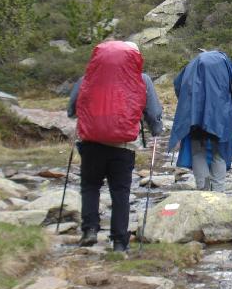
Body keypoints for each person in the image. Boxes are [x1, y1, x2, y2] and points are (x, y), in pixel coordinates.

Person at [67, 40, 163, 252]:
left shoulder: (87, 78)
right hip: (123, 145)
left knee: (90, 187)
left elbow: (71, 110)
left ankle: (90, 230)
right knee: (120, 192)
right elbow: (153, 112)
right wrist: (156, 130)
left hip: (91, 142)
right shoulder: (142, 79)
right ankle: (120, 241)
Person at [168, 50, 232, 192]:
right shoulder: (225, 64)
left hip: (196, 119)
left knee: (198, 152)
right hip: (221, 120)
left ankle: (203, 190)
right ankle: (218, 192)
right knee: (219, 154)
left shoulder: (192, 65)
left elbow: (179, 88)